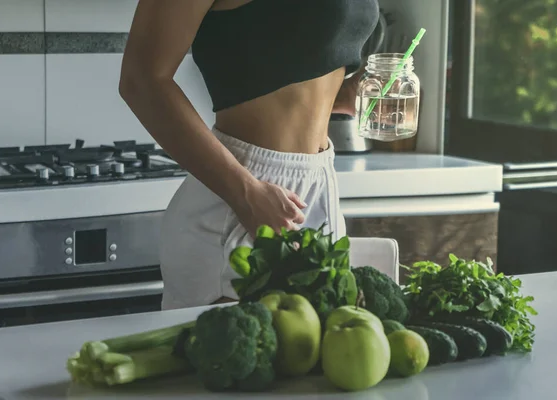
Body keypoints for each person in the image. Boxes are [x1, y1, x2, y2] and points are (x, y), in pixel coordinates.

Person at [119, 0, 380, 309]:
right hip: (241, 192)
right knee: (238, 351)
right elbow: (141, 79)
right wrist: (246, 194)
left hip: (319, 183)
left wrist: (351, 95)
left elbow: (291, 72)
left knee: (325, 352)